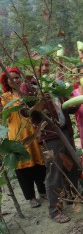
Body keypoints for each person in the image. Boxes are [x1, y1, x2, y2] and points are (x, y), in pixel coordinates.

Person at [21, 57, 79, 223]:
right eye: (42, 65)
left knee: (71, 166)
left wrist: (74, 99)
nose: (45, 68)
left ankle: (73, 197)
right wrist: (39, 99)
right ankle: (54, 210)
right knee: (54, 172)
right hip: (49, 134)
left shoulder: (54, 83)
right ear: (33, 67)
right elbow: (26, 112)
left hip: (65, 131)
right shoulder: (28, 86)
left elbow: (69, 107)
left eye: (47, 65)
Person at [0, 67, 47, 209]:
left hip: (33, 131)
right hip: (16, 135)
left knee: (39, 162)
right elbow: (3, 116)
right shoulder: (4, 98)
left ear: (21, 78)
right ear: (6, 81)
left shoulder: (29, 93)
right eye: (11, 78)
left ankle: (42, 190)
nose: (14, 80)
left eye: (16, 77)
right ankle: (31, 197)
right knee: (22, 168)